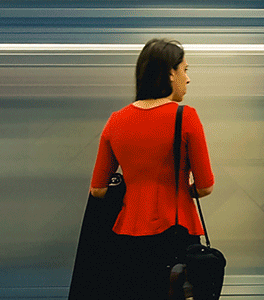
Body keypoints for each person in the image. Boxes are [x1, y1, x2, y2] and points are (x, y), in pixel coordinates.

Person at [89, 37, 214, 298]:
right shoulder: (186, 116)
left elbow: (98, 189)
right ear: (171, 73)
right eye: (185, 70)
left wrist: (135, 189)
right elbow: (205, 186)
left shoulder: (116, 121)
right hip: (177, 235)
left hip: (126, 239)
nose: (187, 79)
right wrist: (183, 190)